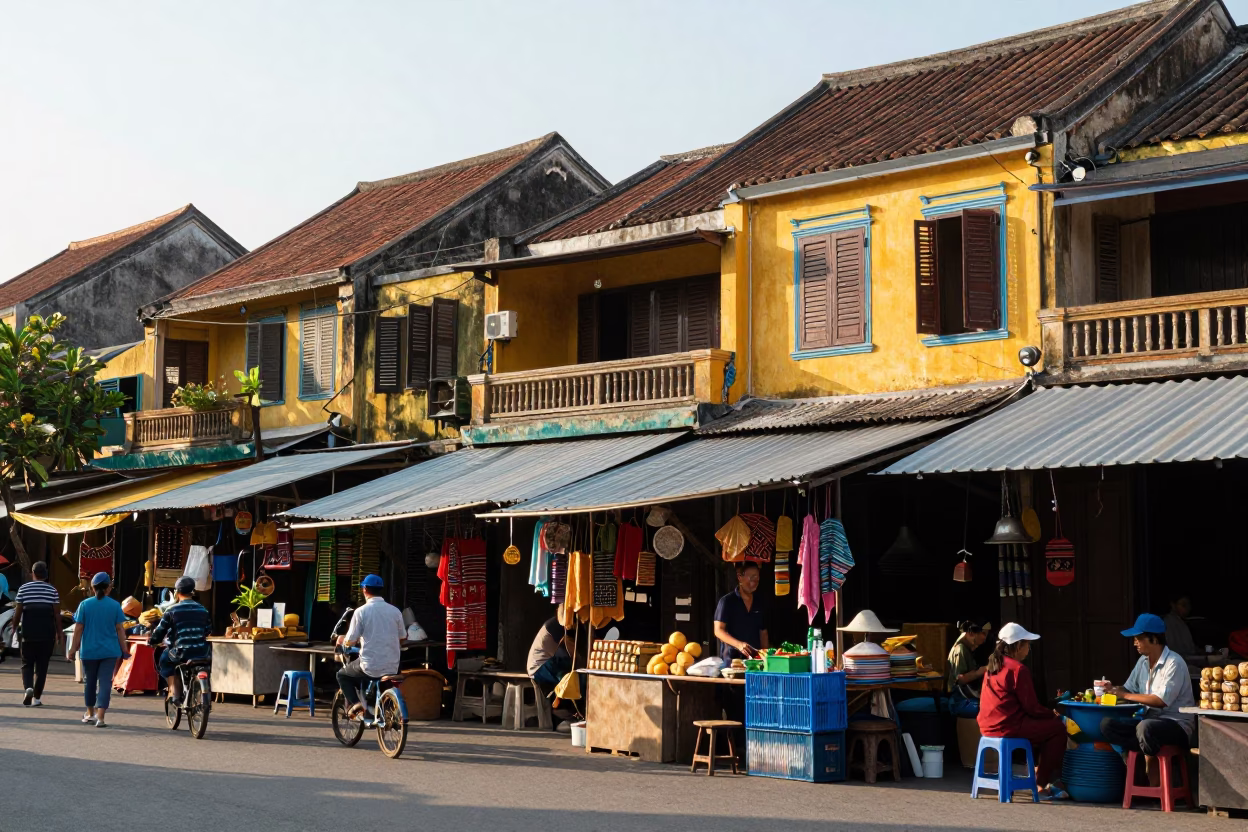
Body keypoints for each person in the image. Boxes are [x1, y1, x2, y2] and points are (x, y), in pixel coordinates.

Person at [977, 622, 1068, 800]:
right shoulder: (1018, 669)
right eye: (1027, 645)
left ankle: (1038, 773)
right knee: (1057, 729)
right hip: (1007, 726)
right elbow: (1032, 708)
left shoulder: (993, 665)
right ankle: (1040, 782)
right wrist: (1054, 714)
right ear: (1018, 646)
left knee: (1042, 728)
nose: (1028, 649)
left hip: (987, 725)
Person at [1098, 613, 1195, 766]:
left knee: (1145, 727)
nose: (1134, 643)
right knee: (1106, 724)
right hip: (1149, 724)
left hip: (1176, 725)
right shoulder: (1143, 661)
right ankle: (1139, 762)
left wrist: (1124, 694)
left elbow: (1160, 700)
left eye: (1138, 639)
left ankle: (1150, 775)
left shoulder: (1174, 662)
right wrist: (1112, 689)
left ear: (1154, 639)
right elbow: (1128, 688)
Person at [337, 574, 406, 719]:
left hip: (369, 666)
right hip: (393, 665)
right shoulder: (395, 611)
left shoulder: (361, 612)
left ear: (365, 589)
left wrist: (342, 641)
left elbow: (351, 640)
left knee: (343, 675)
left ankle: (357, 705)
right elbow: (402, 637)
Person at [67, 573, 127, 727]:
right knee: (105, 682)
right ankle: (101, 717)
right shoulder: (115, 605)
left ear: (92, 588)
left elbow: (78, 628)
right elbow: (120, 629)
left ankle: (90, 713)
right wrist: (124, 649)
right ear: (108, 588)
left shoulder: (85, 605)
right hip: (110, 651)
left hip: (89, 651)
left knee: (90, 682)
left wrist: (73, 649)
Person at [148, 576, 212, 704]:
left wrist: (153, 641)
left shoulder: (172, 610)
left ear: (177, 592)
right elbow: (208, 630)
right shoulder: (203, 610)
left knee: (165, 659)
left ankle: (174, 691)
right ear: (192, 592)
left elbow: (160, 631)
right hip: (202, 652)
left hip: (180, 652)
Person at [12, 561, 62, 707]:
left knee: (26, 663)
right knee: (42, 666)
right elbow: (57, 614)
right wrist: (59, 633)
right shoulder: (52, 590)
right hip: (47, 634)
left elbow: (18, 611)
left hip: (28, 632)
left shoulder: (23, 589)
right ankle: (37, 698)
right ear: (46, 575)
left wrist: (14, 627)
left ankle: (28, 687)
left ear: (32, 573)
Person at [527, 606, 577, 730]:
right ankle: (566, 711)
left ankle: (565, 709)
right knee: (570, 677)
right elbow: (570, 648)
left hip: (546, 664)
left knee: (569, 672)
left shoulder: (559, 626)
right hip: (539, 667)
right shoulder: (554, 626)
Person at [713, 562, 769, 664]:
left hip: (755, 661)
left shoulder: (760, 602)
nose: (755, 581)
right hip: (732, 661)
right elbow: (718, 631)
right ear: (739, 577)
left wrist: (765, 657)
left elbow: (763, 633)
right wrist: (739, 645)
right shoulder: (727, 602)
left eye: (757, 577)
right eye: (751, 577)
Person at [1163, 593, 1216, 683]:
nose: (1187, 608)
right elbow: (1175, 652)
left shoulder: (1182, 623)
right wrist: (1202, 659)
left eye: (1188, 605)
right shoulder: (1168, 623)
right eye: (1183, 605)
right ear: (1173, 605)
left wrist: (1203, 652)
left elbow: (1190, 647)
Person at [947, 620, 990, 716]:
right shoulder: (960, 649)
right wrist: (982, 670)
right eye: (983, 633)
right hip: (959, 700)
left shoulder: (966, 650)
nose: (984, 638)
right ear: (971, 633)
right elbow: (960, 680)